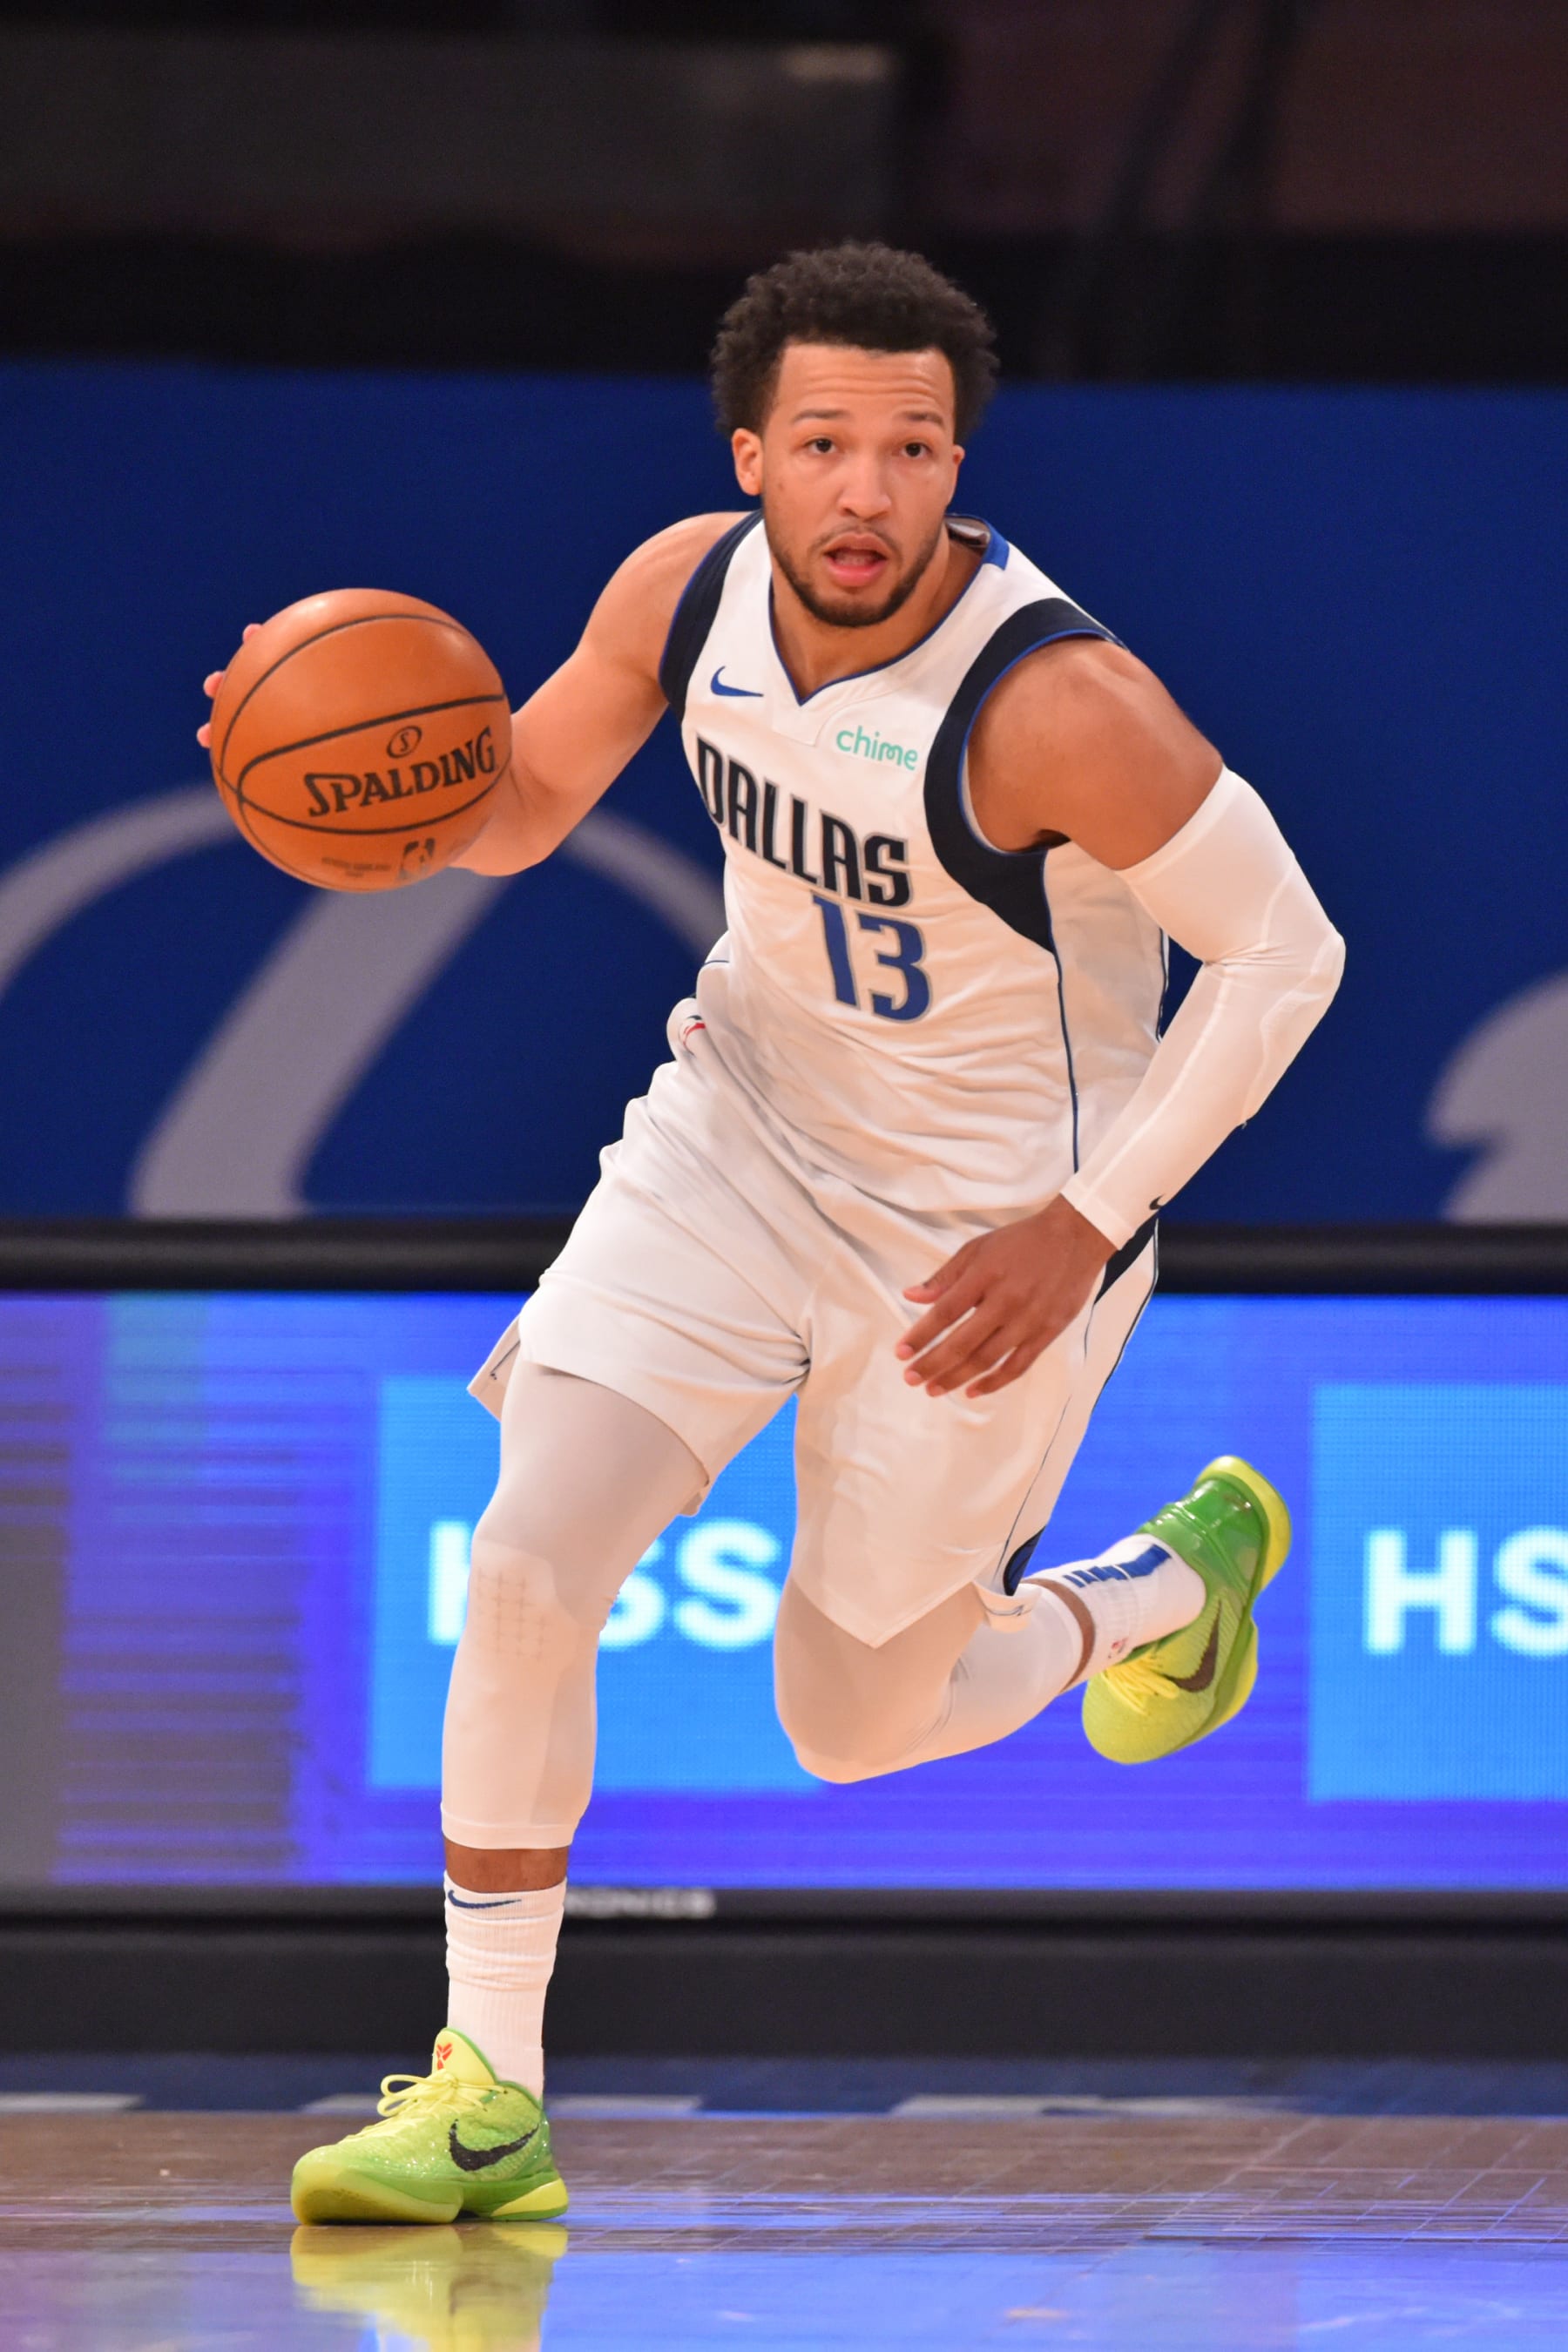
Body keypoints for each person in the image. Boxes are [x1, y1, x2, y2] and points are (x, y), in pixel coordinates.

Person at [206, 242, 1342, 2225]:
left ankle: (1163, 1591)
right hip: (735, 1139)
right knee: (534, 1551)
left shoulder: (1056, 700)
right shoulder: (681, 588)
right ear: (754, 456)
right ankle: (488, 2095)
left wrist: (1085, 1228)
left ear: (955, 464)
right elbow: (517, 805)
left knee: (849, 1729)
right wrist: (325, 780)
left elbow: (1286, 956)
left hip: (985, 1238)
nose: (866, 490)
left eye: (911, 448)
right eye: (824, 442)